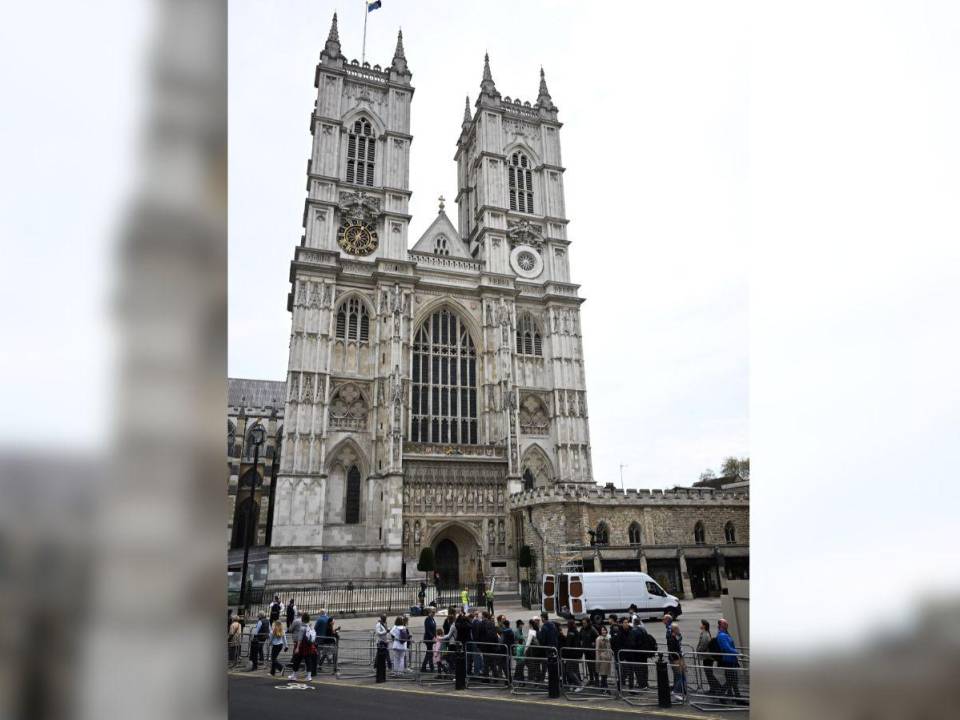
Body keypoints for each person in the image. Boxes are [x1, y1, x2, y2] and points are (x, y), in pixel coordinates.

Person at [716, 619, 742, 703]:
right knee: (731, 680)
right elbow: (726, 648)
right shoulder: (722, 635)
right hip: (728, 661)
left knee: (733, 680)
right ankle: (721, 695)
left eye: (727, 623)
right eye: (725, 623)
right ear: (720, 625)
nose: (727, 624)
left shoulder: (725, 634)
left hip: (731, 660)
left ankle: (737, 698)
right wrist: (737, 652)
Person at [697, 619, 722, 695]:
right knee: (709, 673)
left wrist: (698, 650)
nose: (700, 625)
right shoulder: (706, 633)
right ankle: (713, 688)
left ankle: (717, 687)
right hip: (707, 657)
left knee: (709, 673)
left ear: (704, 626)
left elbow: (703, 645)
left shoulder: (705, 634)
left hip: (707, 657)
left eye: (701, 624)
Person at [290, 613, 317, 681]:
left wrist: (297, 648)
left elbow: (300, 639)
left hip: (302, 646)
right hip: (309, 646)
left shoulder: (302, 628)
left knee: (296, 661)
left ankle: (294, 675)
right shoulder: (310, 626)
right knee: (308, 661)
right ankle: (309, 676)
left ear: (302, 619)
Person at [667, 622, 686, 702]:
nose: (679, 630)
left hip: (678, 659)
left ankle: (680, 691)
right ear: (674, 630)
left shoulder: (675, 637)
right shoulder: (672, 639)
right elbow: (674, 651)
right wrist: (679, 657)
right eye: (678, 629)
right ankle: (676, 692)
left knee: (681, 676)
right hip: (676, 660)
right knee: (680, 676)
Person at [563, 620, 583, 690]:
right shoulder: (575, 631)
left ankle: (579, 684)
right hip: (576, 654)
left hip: (571, 655)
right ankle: (576, 684)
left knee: (569, 670)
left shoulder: (571, 632)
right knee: (575, 670)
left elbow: (568, 644)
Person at [580, 617, 599, 686]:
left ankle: (597, 681)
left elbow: (598, 638)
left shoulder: (592, 629)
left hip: (592, 652)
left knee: (594, 667)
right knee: (589, 667)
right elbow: (580, 637)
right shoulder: (582, 629)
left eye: (585, 623)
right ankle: (591, 680)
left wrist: (594, 643)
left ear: (588, 623)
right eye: (583, 623)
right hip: (586, 651)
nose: (583, 624)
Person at [595, 624, 613, 689]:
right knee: (603, 674)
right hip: (602, 659)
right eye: (602, 630)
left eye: (605, 630)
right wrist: (598, 660)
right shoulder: (598, 639)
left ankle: (603, 687)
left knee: (605, 674)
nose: (604, 631)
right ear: (600, 631)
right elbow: (597, 650)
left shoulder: (608, 638)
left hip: (608, 658)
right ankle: (605, 688)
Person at [421, 607, 437, 674]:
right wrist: (433, 637)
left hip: (431, 638)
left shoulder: (432, 619)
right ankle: (430, 667)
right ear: (429, 612)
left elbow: (434, 629)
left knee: (429, 653)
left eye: (434, 612)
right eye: (433, 612)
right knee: (429, 653)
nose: (434, 614)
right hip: (428, 638)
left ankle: (425, 667)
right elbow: (427, 630)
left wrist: (435, 636)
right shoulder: (427, 619)